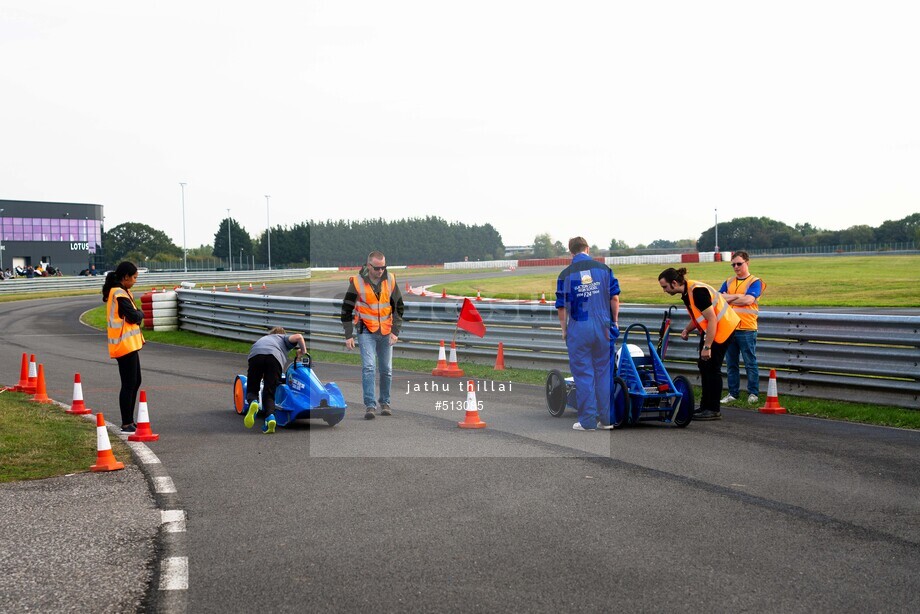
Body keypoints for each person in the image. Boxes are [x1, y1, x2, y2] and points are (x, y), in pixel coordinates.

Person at [555, 237, 620, 431]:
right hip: (604, 326)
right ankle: (607, 420)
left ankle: (587, 422)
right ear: (587, 249)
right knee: (604, 373)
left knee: (584, 375)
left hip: (579, 327)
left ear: (571, 252)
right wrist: (614, 322)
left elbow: (561, 307)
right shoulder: (604, 269)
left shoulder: (565, 274)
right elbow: (614, 297)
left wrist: (564, 330)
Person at [658, 267, 740, 421]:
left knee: (712, 368)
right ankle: (704, 407)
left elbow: (712, 319)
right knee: (704, 366)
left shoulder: (697, 292)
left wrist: (707, 347)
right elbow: (699, 316)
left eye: (665, 286)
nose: (664, 290)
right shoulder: (687, 292)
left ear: (674, 283)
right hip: (713, 328)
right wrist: (687, 329)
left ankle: (713, 409)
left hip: (722, 328)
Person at [341, 250, 405, 420]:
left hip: (386, 330)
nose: (381, 271)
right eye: (377, 268)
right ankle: (370, 405)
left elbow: (399, 306)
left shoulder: (390, 279)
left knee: (386, 370)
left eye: (384, 267)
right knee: (369, 367)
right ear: (369, 266)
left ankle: (385, 402)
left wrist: (395, 331)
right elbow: (346, 309)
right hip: (365, 330)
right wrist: (349, 335)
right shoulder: (357, 282)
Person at [102, 261, 146, 433]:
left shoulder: (124, 291)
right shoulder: (119, 293)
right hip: (123, 345)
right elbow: (134, 315)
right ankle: (127, 422)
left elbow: (134, 315)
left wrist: (138, 314)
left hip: (129, 344)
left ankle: (129, 420)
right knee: (129, 383)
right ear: (125, 277)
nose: (135, 280)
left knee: (136, 381)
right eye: (134, 277)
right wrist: (140, 314)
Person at [719, 251, 765, 405]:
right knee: (731, 364)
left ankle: (753, 393)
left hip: (747, 328)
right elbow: (718, 298)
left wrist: (729, 297)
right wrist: (738, 297)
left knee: (750, 362)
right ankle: (733, 393)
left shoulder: (755, 281)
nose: (736, 267)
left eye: (739, 263)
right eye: (733, 264)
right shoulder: (728, 281)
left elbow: (749, 299)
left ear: (747, 263)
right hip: (729, 327)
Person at [243, 327, 307, 434]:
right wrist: (303, 351)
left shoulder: (264, 339)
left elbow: (259, 358)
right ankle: (270, 418)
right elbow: (299, 336)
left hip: (255, 355)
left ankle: (254, 402)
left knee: (252, 389)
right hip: (274, 358)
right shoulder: (282, 338)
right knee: (270, 393)